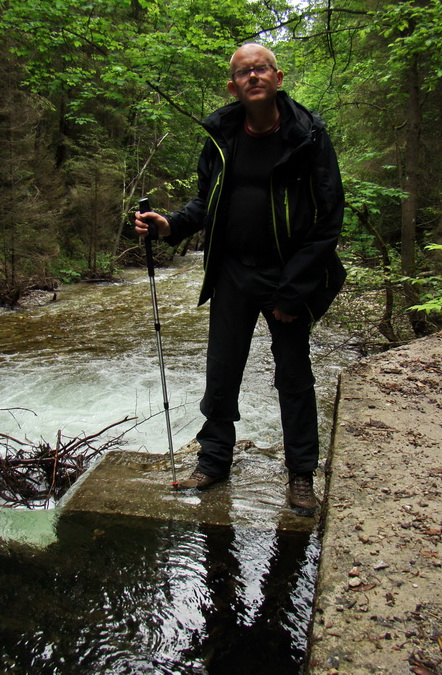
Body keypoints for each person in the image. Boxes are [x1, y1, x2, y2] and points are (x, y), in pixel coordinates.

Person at [135, 43, 345, 516]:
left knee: (293, 375)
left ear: (278, 77)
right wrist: (169, 224)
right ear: (233, 86)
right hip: (232, 270)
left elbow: (329, 219)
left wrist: (294, 290)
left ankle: (301, 475)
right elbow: (204, 204)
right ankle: (213, 462)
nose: (253, 76)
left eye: (261, 68)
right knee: (222, 369)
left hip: (289, 275)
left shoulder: (308, 136)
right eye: (243, 72)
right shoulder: (221, 137)